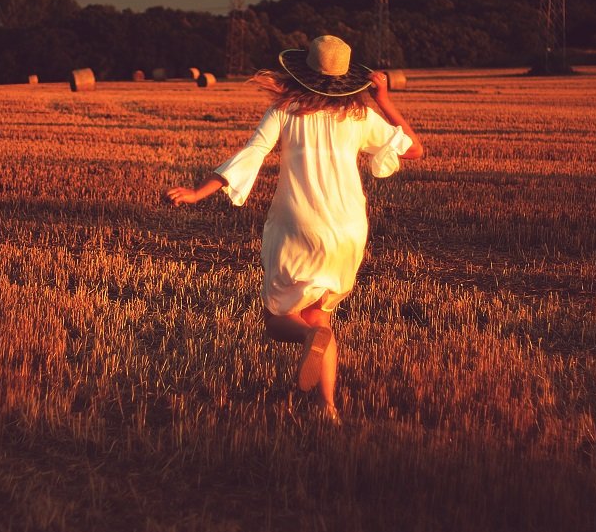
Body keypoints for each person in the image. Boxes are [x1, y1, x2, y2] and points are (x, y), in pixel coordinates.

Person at [167, 35, 424, 423]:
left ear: (303, 71)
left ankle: (307, 340)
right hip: (348, 228)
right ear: (346, 79)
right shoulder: (358, 115)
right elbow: (414, 149)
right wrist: (383, 100)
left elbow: (252, 152)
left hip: (299, 224)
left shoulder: (285, 110)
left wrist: (198, 192)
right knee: (320, 316)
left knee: (276, 319)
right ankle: (327, 408)